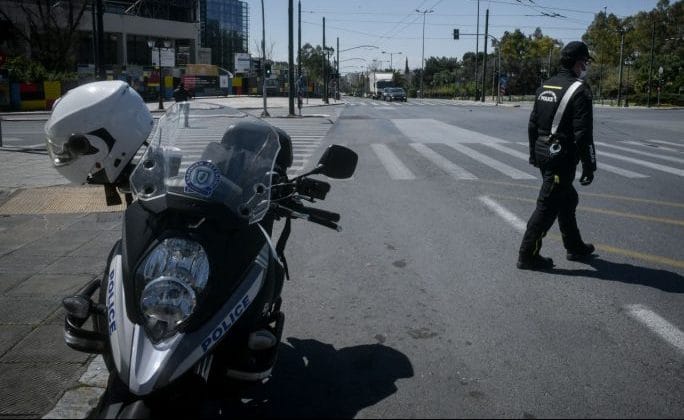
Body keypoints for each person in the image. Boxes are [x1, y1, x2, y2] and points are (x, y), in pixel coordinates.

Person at [517, 41, 598, 270]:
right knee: (547, 206)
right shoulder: (580, 90)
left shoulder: (545, 86)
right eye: (584, 62)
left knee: (567, 198)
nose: (585, 67)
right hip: (561, 158)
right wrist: (589, 165)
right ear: (578, 62)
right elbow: (583, 134)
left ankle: (574, 246)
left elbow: (533, 125)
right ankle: (527, 254)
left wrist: (533, 154)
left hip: (543, 152)